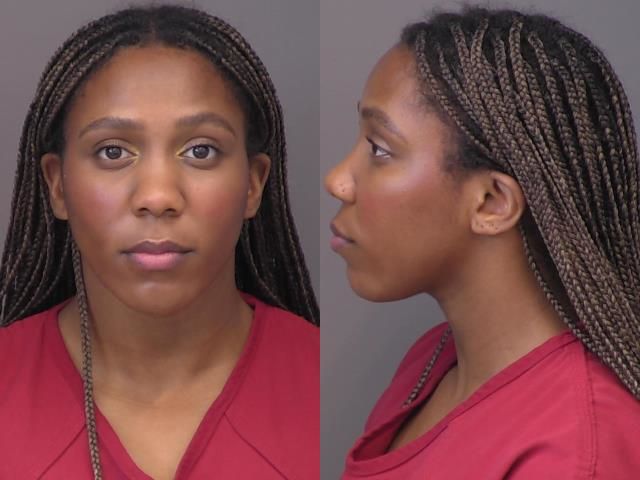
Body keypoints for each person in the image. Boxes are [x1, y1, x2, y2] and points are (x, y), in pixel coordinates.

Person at [0, 5, 318, 480]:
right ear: (58, 185)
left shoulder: (324, 383)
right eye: (112, 151)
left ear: (253, 184)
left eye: (201, 151)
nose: (158, 196)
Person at [325, 6, 640, 479]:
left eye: (379, 149)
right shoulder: (432, 360)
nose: (337, 180)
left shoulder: (573, 453)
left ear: (492, 203)